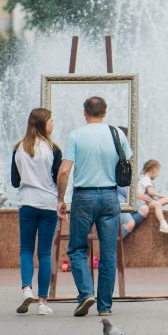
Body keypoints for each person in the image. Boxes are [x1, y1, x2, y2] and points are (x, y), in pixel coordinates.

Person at [57, 96, 130, 317]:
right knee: (108, 253)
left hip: (84, 196)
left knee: (77, 248)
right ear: (105, 112)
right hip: (110, 196)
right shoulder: (117, 133)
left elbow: (64, 171)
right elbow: (127, 162)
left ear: (84, 112)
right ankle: (105, 307)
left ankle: (86, 293)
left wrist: (60, 198)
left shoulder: (76, 135)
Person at [11, 108, 62, 316]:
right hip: (48, 204)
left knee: (26, 249)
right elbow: (59, 178)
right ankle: (42, 303)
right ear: (43, 124)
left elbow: (15, 181)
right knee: (45, 252)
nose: (53, 123)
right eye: (51, 120)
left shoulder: (18, 148)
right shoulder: (53, 149)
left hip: (27, 203)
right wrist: (61, 199)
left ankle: (26, 289)